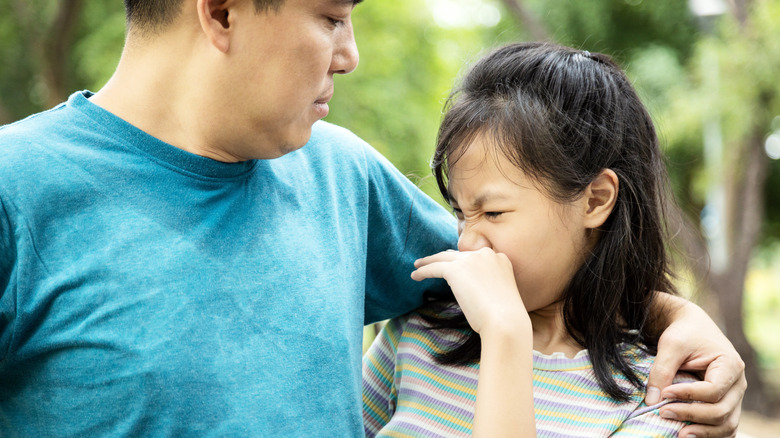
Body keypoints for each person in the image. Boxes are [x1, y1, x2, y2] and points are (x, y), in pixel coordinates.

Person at [0, 0, 741, 436]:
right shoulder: (17, 190)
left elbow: (523, 271)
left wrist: (675, 318)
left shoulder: (341, 177)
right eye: (330, 16)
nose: (348, 54)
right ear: (223, 11)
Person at [362, 42, 745, 438]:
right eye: (460, 213)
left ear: (595, 200)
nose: (467, 244)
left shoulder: (662, 396)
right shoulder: (416, 335)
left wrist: (506, 337)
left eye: (493, 213)